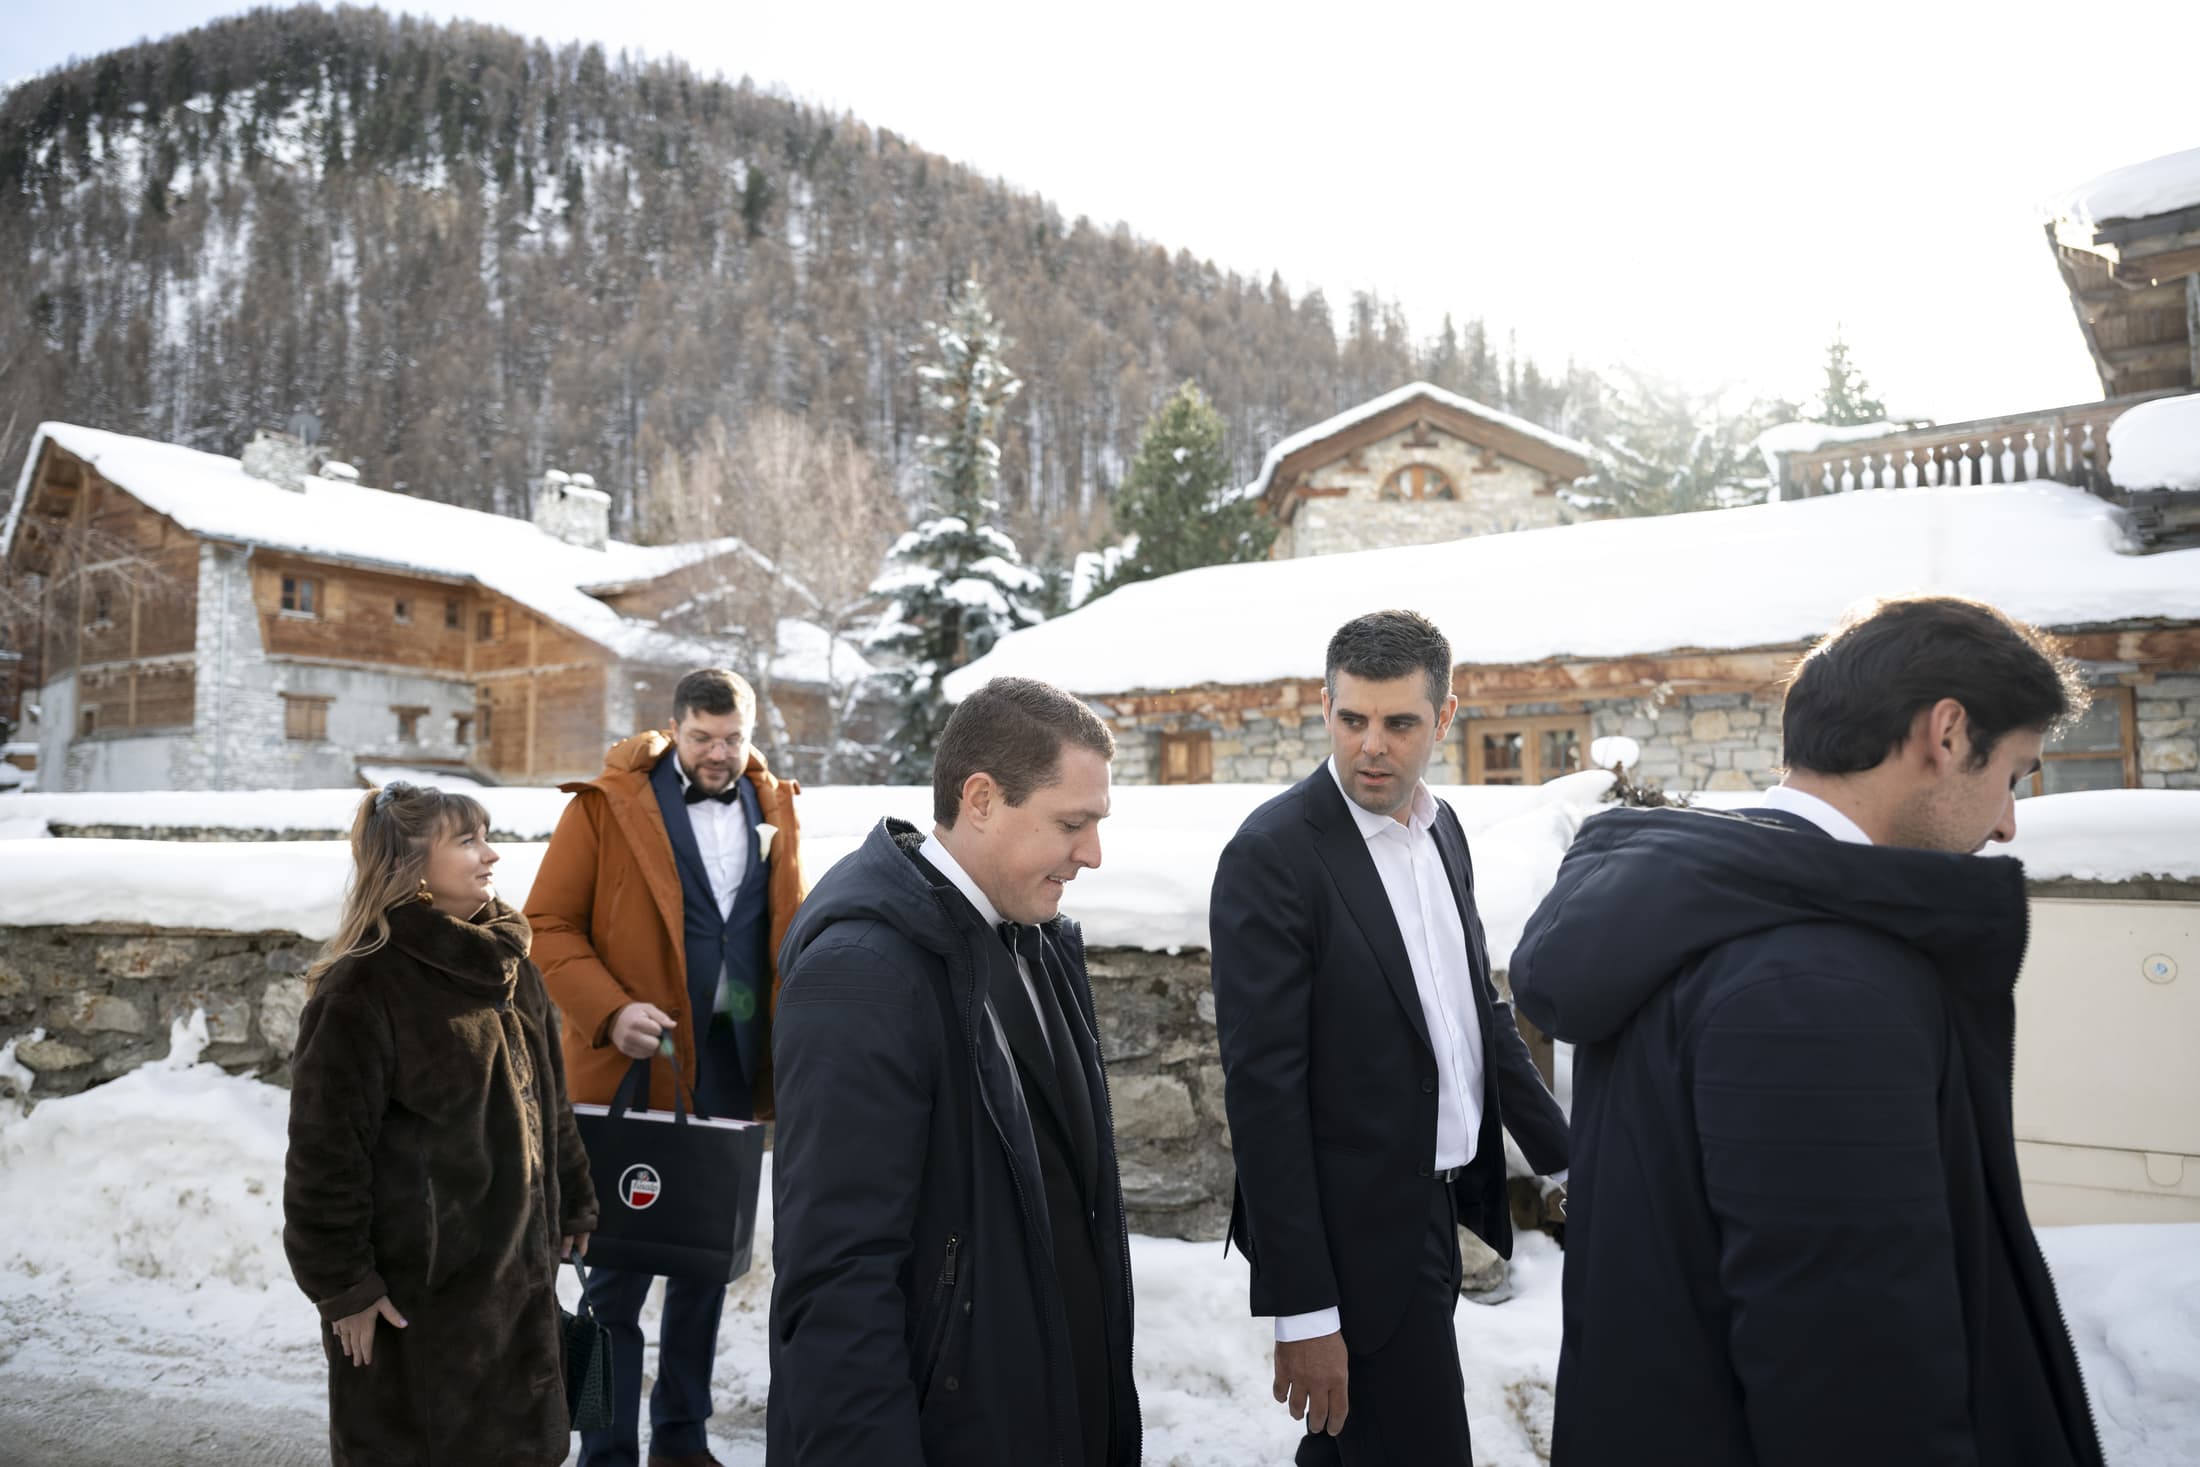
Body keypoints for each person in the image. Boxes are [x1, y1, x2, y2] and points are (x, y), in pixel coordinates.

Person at [1511, 594, 2107, 1467]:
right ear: (1945, 733)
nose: (2009, 820)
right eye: (2013, 773)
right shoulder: (1815, 982)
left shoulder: (1712, 914)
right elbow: (1855, 1379)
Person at [1209, 609, 1571, 1465]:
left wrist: (1565, 1156)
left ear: (1444, 718)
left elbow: (1478, 1015)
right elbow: (1262, 1096)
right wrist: (1304, 1309)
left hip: (1435, 1210)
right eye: (1351, 718)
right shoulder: (1273, 854)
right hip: (1352, 1246)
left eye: (1400, 722)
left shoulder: (1442, 831)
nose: (1372, 745)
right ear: (1324, 706)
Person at [768, 676, 1141, 1466]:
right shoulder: (862, 971)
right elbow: (837, 1285)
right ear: (980, 798)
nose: (1093, 854)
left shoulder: (1034, 935)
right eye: (1072, 823)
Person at [527, 667, 806, 1467]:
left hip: (732, 1067)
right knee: (607, 1284)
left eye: (732, 739)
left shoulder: (776, 804)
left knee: (704, 1272)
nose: (718, 755)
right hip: (628, 1075)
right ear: (674, 728)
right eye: (701, 738)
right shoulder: (604, 803)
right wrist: (611, 1010)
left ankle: (682, 1442)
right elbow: (544, 924)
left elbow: (785, 924)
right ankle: (602, 1450)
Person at [284, 781, 597, 1467]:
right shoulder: (361, 991)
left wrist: (574, 1194)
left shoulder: (513, 970)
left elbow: (550, 1098)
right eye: (467, 840)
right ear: (409, 864)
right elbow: (323, 1159)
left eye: (487, 835)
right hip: (420, 1310)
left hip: (518, 1293)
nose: (491, 855)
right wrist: (345, 1287)